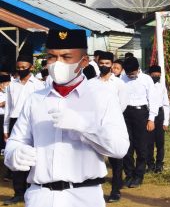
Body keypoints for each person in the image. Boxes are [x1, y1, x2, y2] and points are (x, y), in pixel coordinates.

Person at [4, 29, 129, 207]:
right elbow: (16, 141)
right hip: (40, 196)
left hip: (83, 196)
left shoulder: (102, 97)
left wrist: (85, 126)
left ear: (84, 61)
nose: (57, 63)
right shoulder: (36, 99)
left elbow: (119, 148)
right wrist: (14, 154)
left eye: (66, 57)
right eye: (52, 57)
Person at [3, 53, 45, 205]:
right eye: (18, 67)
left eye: (24, 67)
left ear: (31, 68)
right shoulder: (11, 85)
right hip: (15, 121)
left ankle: (32, 189)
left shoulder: (39, 85)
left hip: (33, 122)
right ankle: (18, 192)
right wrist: (5, 128)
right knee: (16, 158)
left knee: (32, 157)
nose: (21, 70)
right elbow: (8, 108)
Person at [87, 52, 129, 203]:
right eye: (102, 63)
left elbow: (122, 105)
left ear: (112, 65)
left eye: (107, 63)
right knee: (93, 159)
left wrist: (110, 120)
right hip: (94, 127)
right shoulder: (90, 83)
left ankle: (115, 190)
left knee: (116, 160)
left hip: (113, 127)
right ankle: (93, 191)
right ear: (98, 63)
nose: (104, 66)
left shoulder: (119, 84)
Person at [120, 56, 159, 189]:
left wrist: (151, 119)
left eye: (132, 73)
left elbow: (153, 100)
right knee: (126, 146)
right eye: (128, 73)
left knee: (141, 147)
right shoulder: (122, 79)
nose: (130, 75)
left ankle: (138, 175)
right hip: (125, 114)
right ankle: (129, 174)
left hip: (141, 114)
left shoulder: (146, 79)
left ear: (138, 69)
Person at [146, 65, 170, 174]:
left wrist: (166, 121)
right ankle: (150, 164)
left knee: (160, 142)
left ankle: (159, 164)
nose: (156, 76)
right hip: (148, 114)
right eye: (154, 75)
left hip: (160, 115)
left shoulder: (161, 87)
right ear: (149, 74)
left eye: (158, 75)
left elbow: (166, 105)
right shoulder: (146, 86)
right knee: (149, 141)